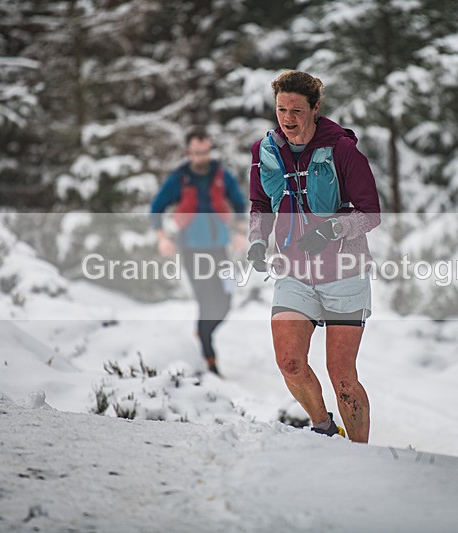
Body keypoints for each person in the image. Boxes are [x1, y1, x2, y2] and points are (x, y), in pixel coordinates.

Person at [247, 70, 381, 443]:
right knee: (289, 362)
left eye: (296, 110)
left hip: (344, 271)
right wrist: (257, 240)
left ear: (315, 109)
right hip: (293, 271)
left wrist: (330, 230)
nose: (288, 119)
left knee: (342, 375)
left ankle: (359, 453)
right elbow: (260, 203)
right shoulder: (265, 152)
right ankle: (324, 428)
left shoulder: (342, 150)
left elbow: (371, 212)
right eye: (281, 109)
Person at [150, 128, 247, 376]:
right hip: (191, 249)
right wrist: (162, 238)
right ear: (188, 152)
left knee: (225, 301)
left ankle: (202, 333)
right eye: (197, 153)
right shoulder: (179, 178)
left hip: (219, 247)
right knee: (207, 301)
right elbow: (156, 208)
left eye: (205, 152)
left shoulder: (221, 175)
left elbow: (238, 203)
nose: (202, 157)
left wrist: (239, 231)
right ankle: (210, 360)